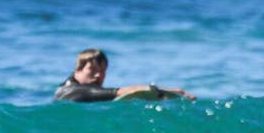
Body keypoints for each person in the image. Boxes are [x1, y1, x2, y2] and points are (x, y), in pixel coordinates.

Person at [54, 48, 194, 103]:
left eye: (103, 71)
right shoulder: (73, 90)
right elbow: (124, 91)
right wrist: (170, 92)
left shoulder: (70, 86)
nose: (98, 76)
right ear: (77, 70)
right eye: (92, 70)